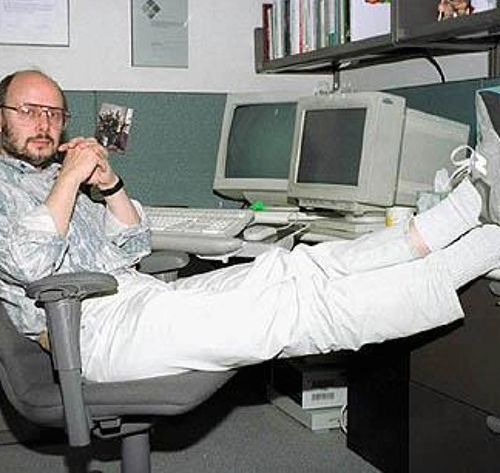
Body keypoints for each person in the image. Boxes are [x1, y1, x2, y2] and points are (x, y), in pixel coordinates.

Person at [1, 69, 500, 383]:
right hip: (88, 332)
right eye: (28, 111)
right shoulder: (24, 186)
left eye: (54, 113)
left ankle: (457, 215)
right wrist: (69, 179)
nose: (44, 123)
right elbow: (32, 265)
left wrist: (110, 186)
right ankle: (484, 247)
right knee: (288, 310)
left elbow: (132, 248)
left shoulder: (58, 177)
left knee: (293, 268)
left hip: (140, 296)